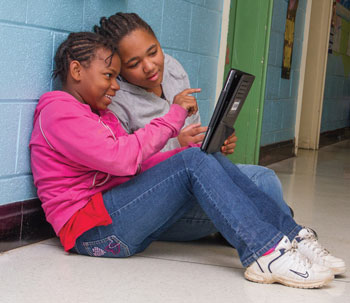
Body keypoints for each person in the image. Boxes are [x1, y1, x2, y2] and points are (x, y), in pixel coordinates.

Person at [30, 32, 346, 289]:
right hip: (92, 233)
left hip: (116, 212)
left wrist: (183, 152)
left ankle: (290, 236)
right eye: (108, 76)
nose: (115, 85)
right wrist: (175, 117)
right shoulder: (58, 111)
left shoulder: (99, 115)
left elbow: (136, 167)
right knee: (194, 162)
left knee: (200, 156)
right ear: (76, 71)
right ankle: (265, 254)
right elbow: (122, 160)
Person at [93, 12, 294, 220]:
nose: (150, 67)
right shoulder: (117, 100)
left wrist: (212, 141)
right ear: (119, 69)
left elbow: (193, 134)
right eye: (134, 64)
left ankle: (278, 223)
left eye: (153, 52)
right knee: (260, 183)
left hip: (195, 177)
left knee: (264, 178)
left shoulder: (171, 69)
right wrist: (177, 144)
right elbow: (123, 164)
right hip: (157, 195)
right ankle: (283, 225)